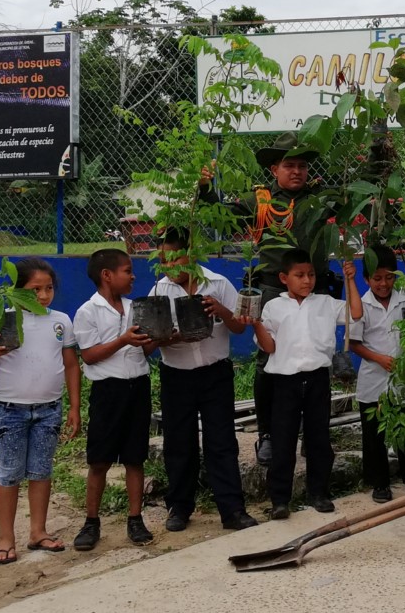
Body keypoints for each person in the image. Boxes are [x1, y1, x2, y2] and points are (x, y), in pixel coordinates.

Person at [219, 134, 336, 470]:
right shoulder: (261, 200)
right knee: (267, 360)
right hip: (271, 289)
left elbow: (356, 202)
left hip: (314, 289)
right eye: (289, 165)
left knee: (317, 358)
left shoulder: (320, 199)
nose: (297, 171)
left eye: (302, 165)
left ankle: (314, 435)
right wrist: (206, 191)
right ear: (275, 168)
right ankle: (268, 434)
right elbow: (225, 216)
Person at [0, 257, 81, 563]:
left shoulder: (60, 321)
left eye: (49, 288)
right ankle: (6, 537)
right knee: (9, 473)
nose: (44, 295)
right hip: (10, 410)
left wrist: (74, 406)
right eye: (35, 289)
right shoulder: (1, 319)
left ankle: (38, 531)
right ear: (17, 290)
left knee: (41, 470)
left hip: (49, 409)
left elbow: (71, 364)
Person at [148, 228, 256, 532]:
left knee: (221, 441)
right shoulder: (160, 291)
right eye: (163, 260)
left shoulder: (218, 284)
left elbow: (238, 328)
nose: (170, 266)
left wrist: (219, 310)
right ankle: (179, 508)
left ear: (191, 254)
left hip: (215, 374)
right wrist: (170, 337)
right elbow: (153, 340)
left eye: (175, 258)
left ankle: (232, 509)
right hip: (176, 376)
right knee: (178, 443)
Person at [253, 250, 363, 518]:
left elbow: (356, 313)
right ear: (284, 278)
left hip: (317, 380)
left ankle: (319, 493)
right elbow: (269, 346)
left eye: (311, 275)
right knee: (283, 441)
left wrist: (351, 280)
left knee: (319, 439)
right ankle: (280, 499)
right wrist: (255, 324)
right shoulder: (274, 307)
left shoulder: (325, 302)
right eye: (299, 275)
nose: (307, 281)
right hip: (284, 382)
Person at [71, 248, 158, 551]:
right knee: (100, 460)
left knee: (135, 457)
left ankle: (135, 518)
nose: (133, 276)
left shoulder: (136, 307)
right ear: (107, 275)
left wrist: (156, 337)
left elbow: (144, 351)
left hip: (138, 387)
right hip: (108, 392)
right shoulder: (87, 312)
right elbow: (90, 356)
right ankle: (91, 522)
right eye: (127, 270)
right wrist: (123, 340)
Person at [348, 245, 405, 503]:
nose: (384, 284)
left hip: (404, 379)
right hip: (374, 380)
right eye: (377, 279)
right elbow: (353, 343)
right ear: (366, 280)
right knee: (374, 435)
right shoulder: (360, 306)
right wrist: (379, 359)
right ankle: (380, 483)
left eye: (389, 277)